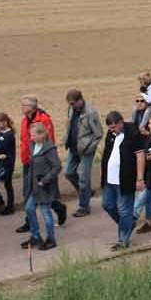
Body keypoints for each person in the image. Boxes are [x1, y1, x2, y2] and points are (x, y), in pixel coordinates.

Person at [99, 112, 145, 250]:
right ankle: (128, 224)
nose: (112, 130)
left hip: (125, 179)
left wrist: (140, 178)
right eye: (110, 128)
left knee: (125, 210)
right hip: (110, 179)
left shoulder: (133, 134)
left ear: (120, 123)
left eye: (114, 127)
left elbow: (140, 156)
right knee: (108, 205)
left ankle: (123, 241)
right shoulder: (110, 135)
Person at [22, 122, 62, 251]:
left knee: (46, 213)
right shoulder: (33, 145)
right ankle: (35, 236)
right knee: (29, 208)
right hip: (34, 186)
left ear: (42, 134)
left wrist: (44, 180)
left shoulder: (50, 149)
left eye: (33, 135)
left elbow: (57, 166)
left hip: (44, 187)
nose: (31, 138)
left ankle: (51, 239)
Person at [63, 90, 100, 218]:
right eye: (70, 104)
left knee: (83, 178)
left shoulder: (90, 113)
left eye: (73, 103)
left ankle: (84, 206)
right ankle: (87, 192)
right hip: (73, 148)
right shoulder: (71, 109)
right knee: (68, 172)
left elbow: (98, 134)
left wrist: (90, 147)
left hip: (86, 150)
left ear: (80, 100)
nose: (71, 106)